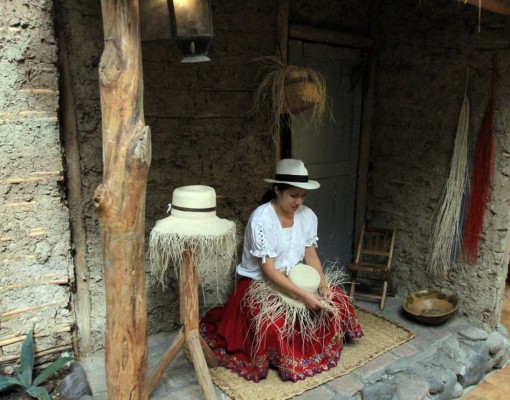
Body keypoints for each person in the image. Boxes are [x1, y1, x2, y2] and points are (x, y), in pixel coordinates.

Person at [200, 159, 363, 382]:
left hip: (296, 276)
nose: (299, 201)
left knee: (338, 301)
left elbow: (310, 254)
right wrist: (304, 295)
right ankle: (286, 355)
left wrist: (323, 287)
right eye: (293, 195)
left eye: (303, 196)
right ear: (277, 190)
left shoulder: (307, 216)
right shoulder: (262, 219)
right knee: (274, 325)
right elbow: (268, 270)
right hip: (260, 283)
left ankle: (314, 343)